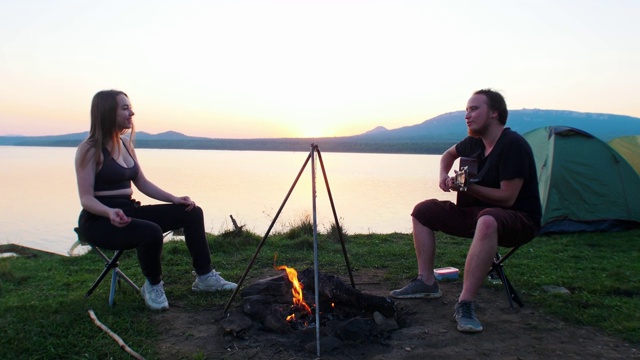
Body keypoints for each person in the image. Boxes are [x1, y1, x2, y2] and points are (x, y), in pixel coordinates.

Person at [390, 89, 541, 333]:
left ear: (494, 112)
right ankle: (426, 282)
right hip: (477, 213)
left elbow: (507, 197)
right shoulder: (474, 142)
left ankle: (465, 303)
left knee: (488, 220)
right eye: (466, 110)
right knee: (423, 211)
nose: (467, 115)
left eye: (474, 109)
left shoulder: (513, 145)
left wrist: (470, 186)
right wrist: (443, 176)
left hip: (518, 218)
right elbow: (448, 155)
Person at [75, 90, 237, 311]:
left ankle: (205, 277)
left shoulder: (125, 144)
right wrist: (109, 213)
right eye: (124, 108)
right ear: (106, 112)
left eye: (129, 107)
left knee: (191, 212)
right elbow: (86, 199)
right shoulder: (89, 149)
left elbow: (141, 182)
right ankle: (152, 285)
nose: (131, 112)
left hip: (128, 211)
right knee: (150, 231)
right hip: (99, 220)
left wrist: (174, 199)